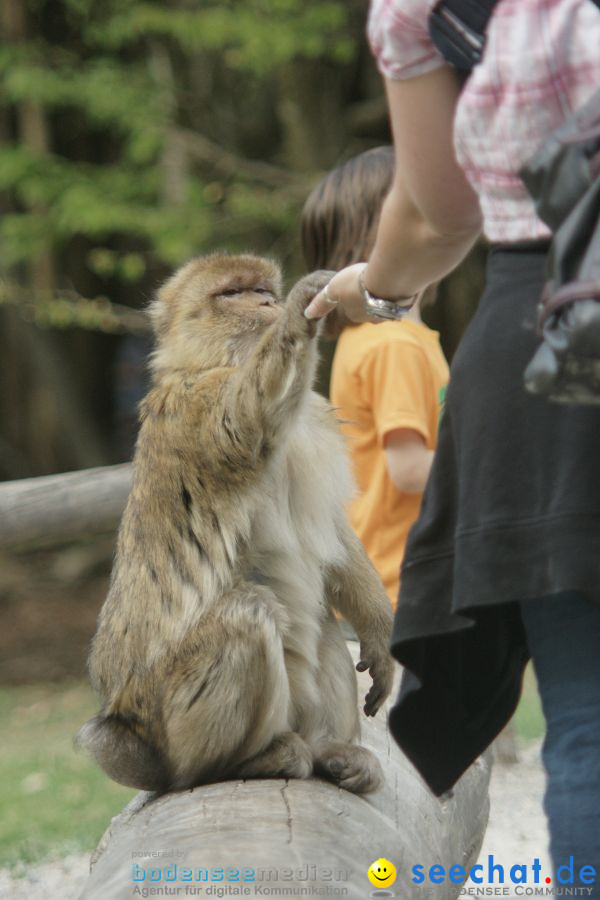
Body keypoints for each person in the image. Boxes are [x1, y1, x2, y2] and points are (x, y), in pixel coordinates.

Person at [304, 0, 600, 887]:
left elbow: (438, 216)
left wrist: (379, 283)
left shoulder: (425, 9)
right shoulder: (394, 351)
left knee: (586, 712)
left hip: (552, 349)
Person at [301, 147, 449, 607]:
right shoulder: (393, 344)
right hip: (404, 589)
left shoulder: (377, 339)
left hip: (390, 587)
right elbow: (408, 471)